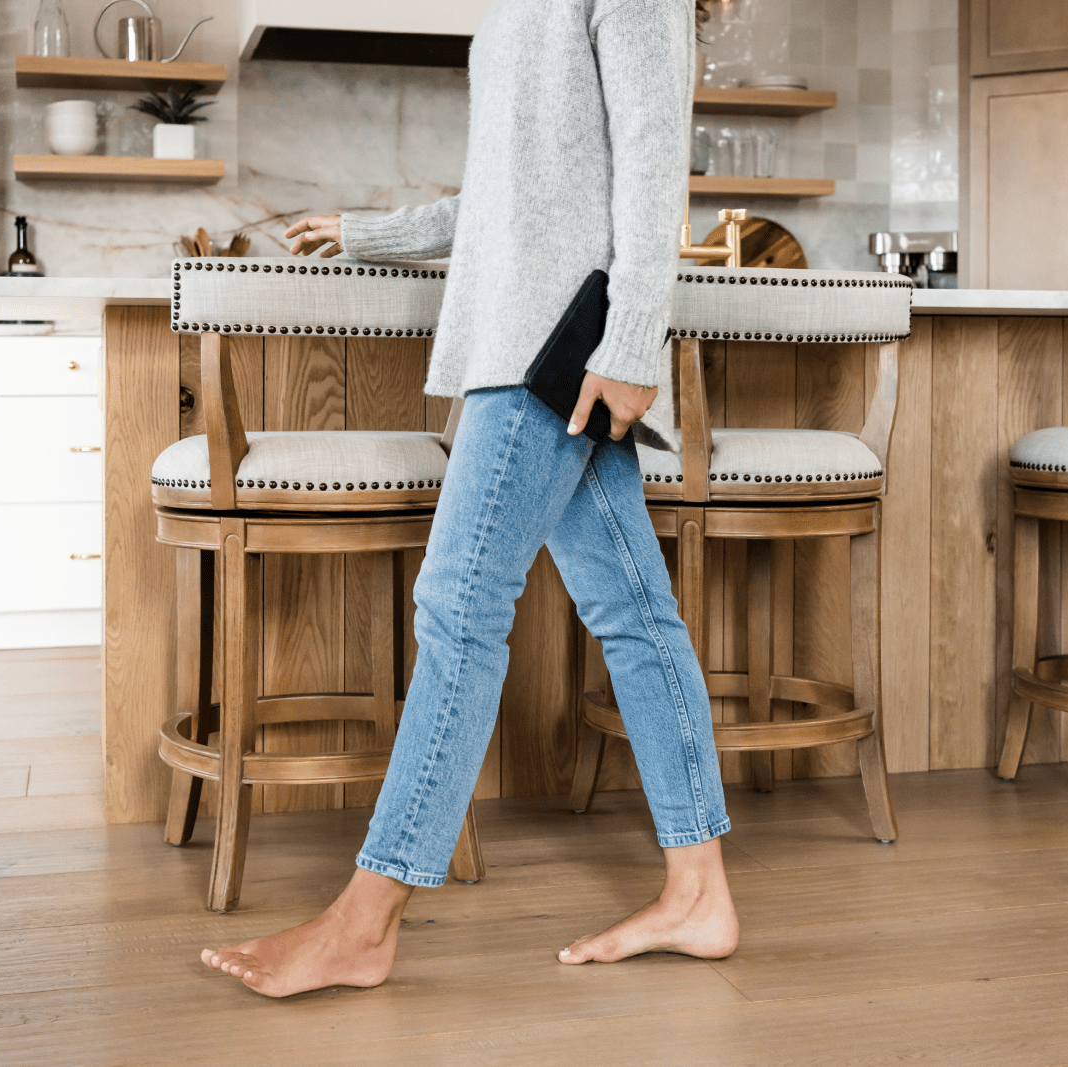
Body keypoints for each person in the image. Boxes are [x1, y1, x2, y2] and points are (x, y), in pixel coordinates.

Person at [199, 0, 739, 998]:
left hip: (554, 347)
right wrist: (370, 229)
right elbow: (503, 192)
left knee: (457, 610)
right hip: (526, 338)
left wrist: (627, 349)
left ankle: (367, 919)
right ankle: (698, 890)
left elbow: (656, 160)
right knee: (634, 614)